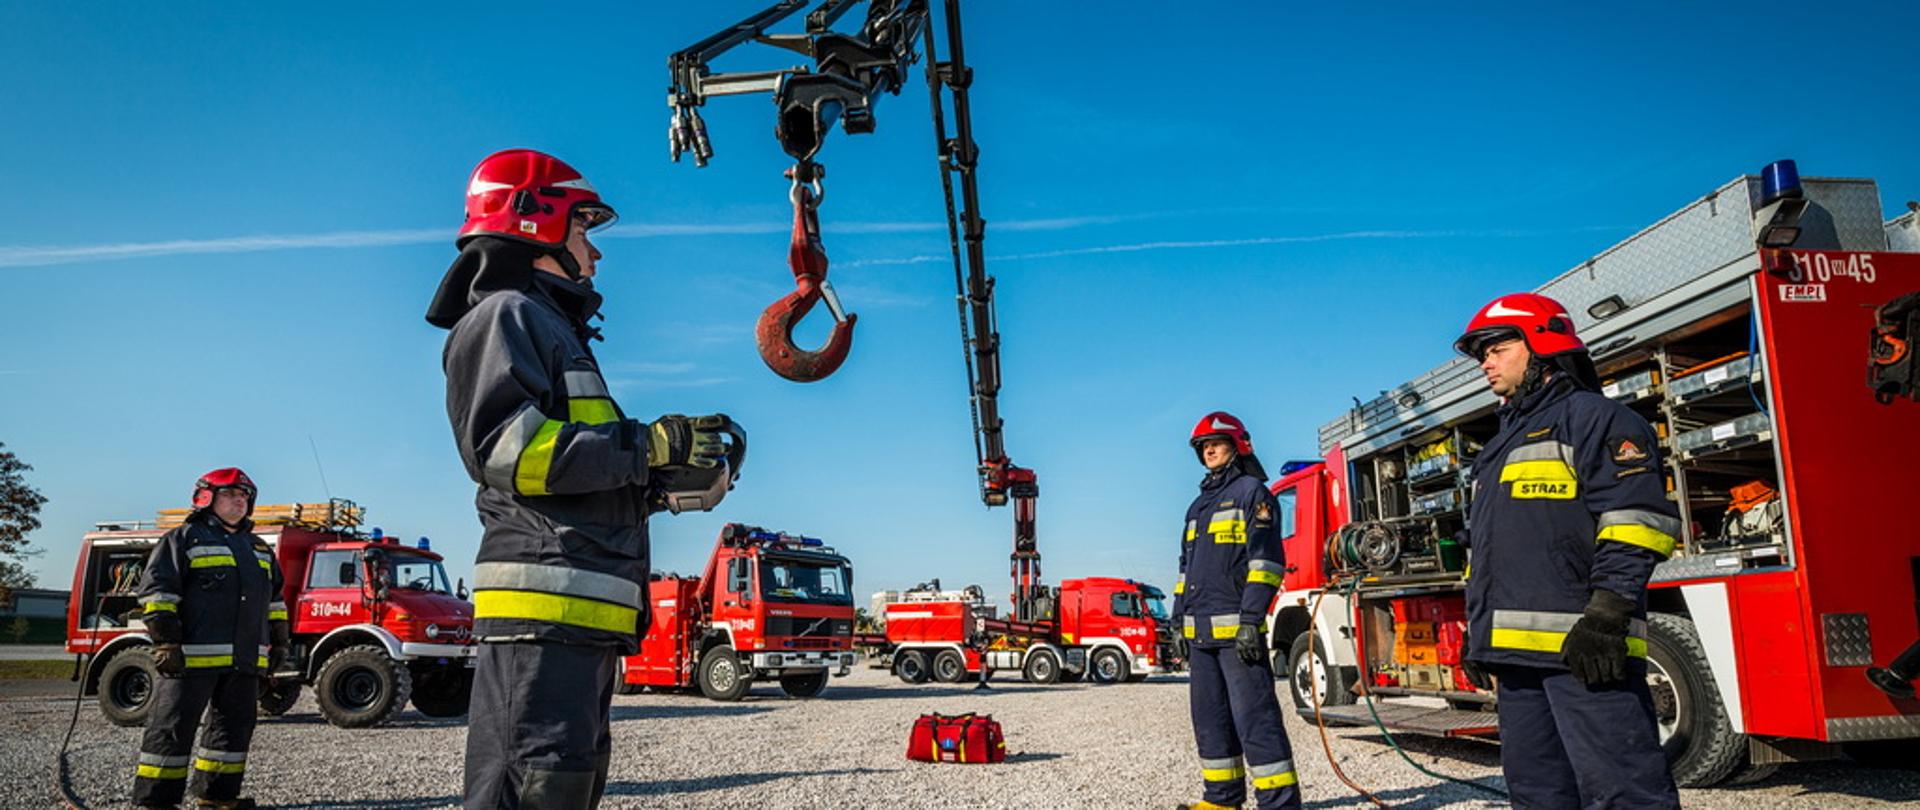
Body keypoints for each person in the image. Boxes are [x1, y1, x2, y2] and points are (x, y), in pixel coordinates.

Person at [426, 149, 736, 809]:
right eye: (583, 228)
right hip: (542, 617)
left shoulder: (552, 329)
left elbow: (578, 477)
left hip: (576, 621)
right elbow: (508, 453)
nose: (594, 251)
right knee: (530, 790)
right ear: (534, 221)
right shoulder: (505, 316)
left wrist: (665, 484)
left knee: (563, 788)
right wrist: (645, 445)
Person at [1453, 293, 1681, 809]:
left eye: (1497, 348)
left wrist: (1605, 619)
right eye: (1481, 354)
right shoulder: (1499, 446)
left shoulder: (1598, 420)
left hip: (1586, 653)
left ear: (1542, 345)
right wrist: (1479, 634)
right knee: (1538, 794)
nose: (1485, 362)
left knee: (1625, 792)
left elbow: (1637, 524)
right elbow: (1491, 551)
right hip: (1516, 664)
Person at [133, 468, 287, 810]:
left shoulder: (259, 548)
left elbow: (275, 600)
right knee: (172, 728)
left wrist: (279, 642)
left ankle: (216, 797)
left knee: (232, 731)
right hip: (190, 658)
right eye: (231, 494)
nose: (239, 501)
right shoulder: (183, 539)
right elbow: (158, 594)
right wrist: (166, 642)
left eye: (244, 495)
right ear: (206, 498)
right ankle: (156, 802)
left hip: (244, 659)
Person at [1173, 411, 1301, 810]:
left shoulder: (1252, 494)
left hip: (1237, 636)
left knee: (1255, 719)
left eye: (1216, 443)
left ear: (1237, 446)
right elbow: (1185, 571)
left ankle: (1279, 804)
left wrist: (1250, 620)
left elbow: (1266, 564)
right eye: (1203, 447)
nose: (1209, 451)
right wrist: (1177, 621)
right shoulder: (1197, 507)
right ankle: (1222, 800)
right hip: (1199, 636)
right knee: (1210, 722)